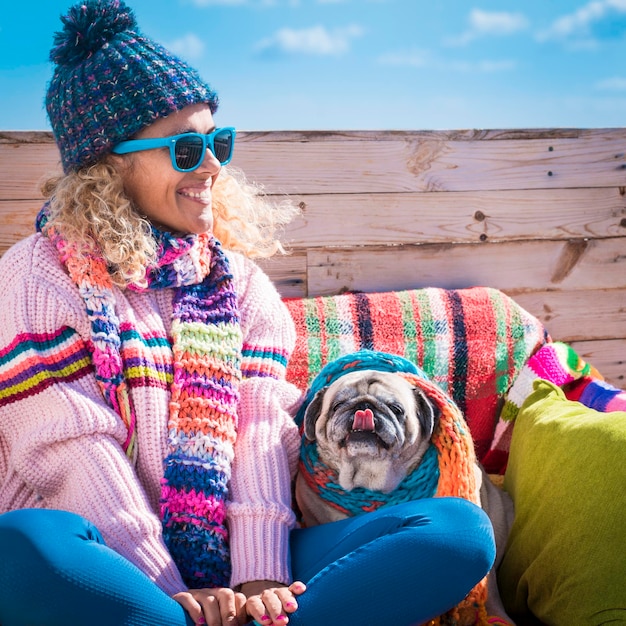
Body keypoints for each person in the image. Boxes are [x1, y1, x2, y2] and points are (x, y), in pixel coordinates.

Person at [0, 1, 497, 625]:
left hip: (245, 564)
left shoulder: (239, 284)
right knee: (21, 548)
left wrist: (259, 574)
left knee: (455, 532)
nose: (211, 164)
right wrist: (167, 585)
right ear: (109, 166)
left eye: (217, 141)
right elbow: (72, 451)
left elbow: (262, 432)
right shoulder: (37, 274)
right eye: (186, 148)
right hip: (114, 560)